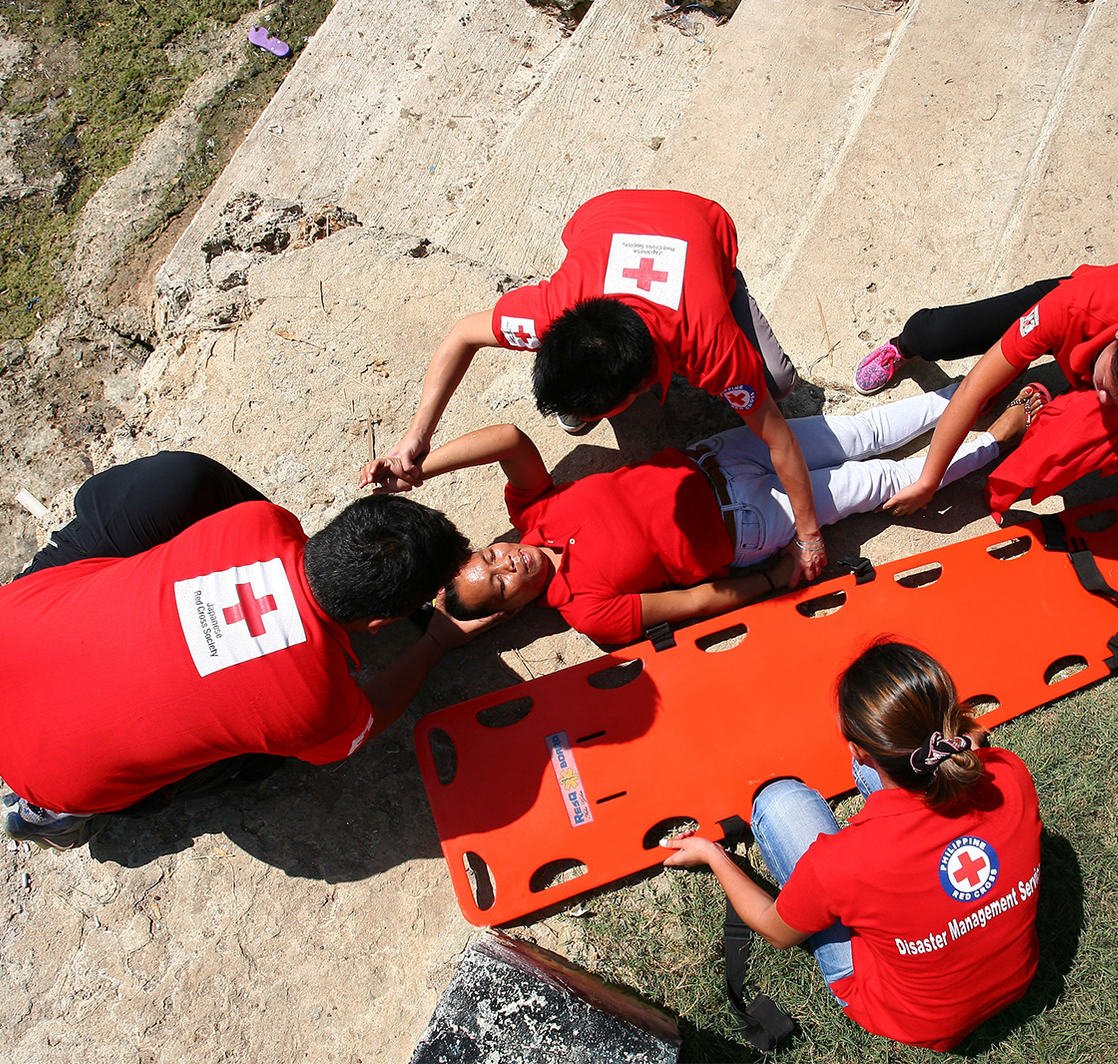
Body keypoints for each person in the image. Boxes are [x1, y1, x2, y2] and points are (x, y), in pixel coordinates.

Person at [0, 451, 476, 850]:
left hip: (12, 632)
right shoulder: (318, 706)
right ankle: (50, 817)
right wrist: (435, 641)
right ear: (380, 624)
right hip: (43, 775)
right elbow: (362, 724)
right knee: (263, 759)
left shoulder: (256, 520)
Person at [373, 188, 829, 584]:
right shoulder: (549, 312)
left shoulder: (710, 342)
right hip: (604, 216)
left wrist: (808, 536)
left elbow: (779, 439)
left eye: (603, 408)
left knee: (778, 383)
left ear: (638, 389)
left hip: (698, 225)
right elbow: (461, 335)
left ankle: (729, 285)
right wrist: (417, 436)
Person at [360, 385, 1043, 646]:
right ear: (509, 610)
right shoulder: (588, 611)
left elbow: (509, 440)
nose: (507, 565)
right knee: (883, 481)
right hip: (753, 526)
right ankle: (997, 439)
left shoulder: (531, 512)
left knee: (863, 430)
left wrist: (419, 461)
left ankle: (984, 379)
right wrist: (777, 581)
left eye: (489, 559)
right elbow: (694, 602)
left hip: (723, 455)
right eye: (501, 585)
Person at [662, 641, 1043, 1052]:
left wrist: (713, 856)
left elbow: (776, 930)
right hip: (1018, 976)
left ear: (858, 750)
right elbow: (975, 742)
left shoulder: (841, 864)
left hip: (915, 1018)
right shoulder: (1007, 775)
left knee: (780, 802)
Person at [851, 260, 1118, 558]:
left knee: (1080, 440)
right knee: (935, 334)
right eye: (1105, 387)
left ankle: (1034, 400)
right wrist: (928, 479)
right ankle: (903, 345)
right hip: (1077, 303)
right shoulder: (1073, 306)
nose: (1102, 403)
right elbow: (974, 388)